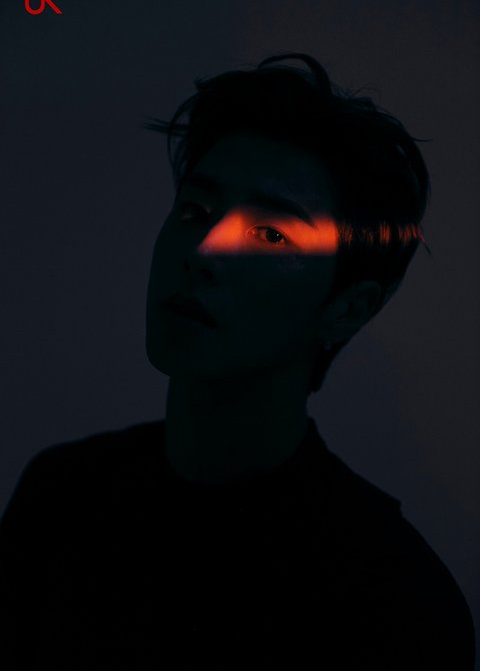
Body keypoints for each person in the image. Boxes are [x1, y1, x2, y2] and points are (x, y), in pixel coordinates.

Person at [0, 53, 475, 669]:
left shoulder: (393, 600)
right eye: (195, 212)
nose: (203, 251)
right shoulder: (62, 497)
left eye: (270, 234)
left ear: (348, 308)